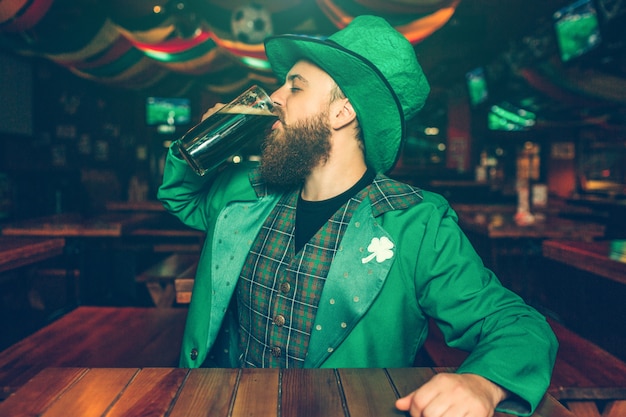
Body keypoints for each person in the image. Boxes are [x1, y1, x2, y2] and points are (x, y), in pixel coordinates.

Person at [158, 15, 557, 417]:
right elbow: (181, 196)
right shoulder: (246, 189)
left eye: (295, 87)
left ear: (342, 113)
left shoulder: (416, 224)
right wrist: (205, 141)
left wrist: (482, 384)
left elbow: (517, 324)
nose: (275, 97)